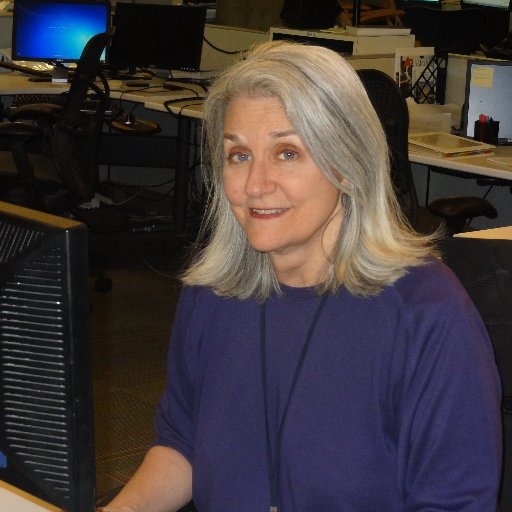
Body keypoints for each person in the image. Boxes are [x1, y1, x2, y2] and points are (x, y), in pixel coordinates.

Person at [101, 41, 502, 512]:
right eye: (239, 155)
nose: (255, 185)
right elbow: (182, 443)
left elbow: (454, 503)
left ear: (347, 165)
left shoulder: (427, 314)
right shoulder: (212, 292)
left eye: (287, 153)